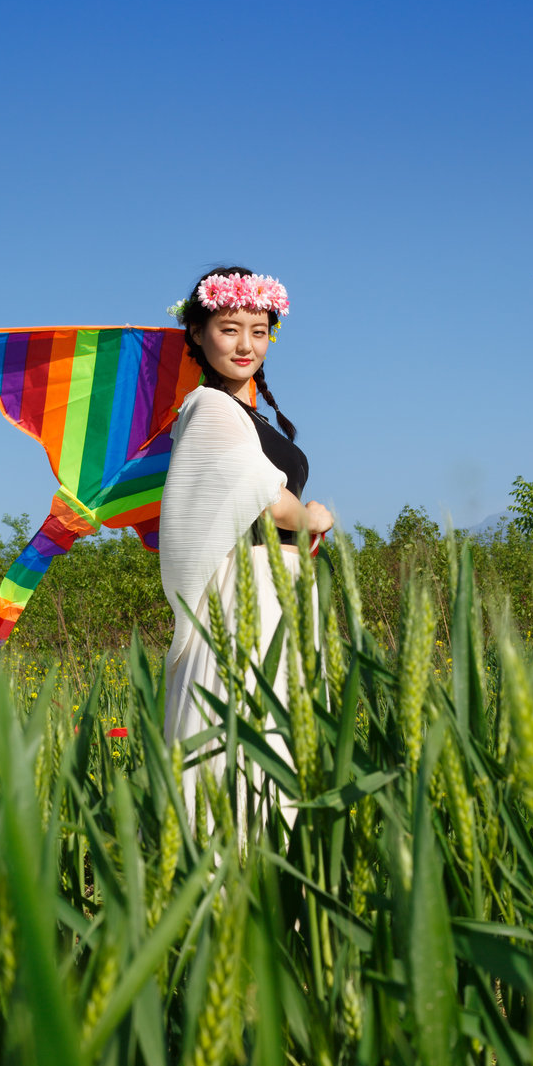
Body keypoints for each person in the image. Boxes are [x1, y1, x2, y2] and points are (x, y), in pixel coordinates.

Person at [159, 267, 334, 826]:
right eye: (229, 329)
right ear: (198, 333)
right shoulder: (207, 408)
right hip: (248, 587)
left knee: (282, 728)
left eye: (258, 332)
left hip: (284, 585)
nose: (244, 345)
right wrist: (308, 516)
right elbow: (262, 497)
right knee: (246, 721)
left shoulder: (249, 415)